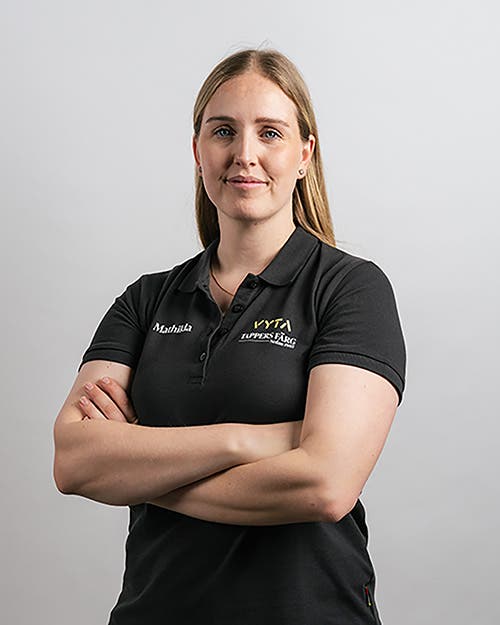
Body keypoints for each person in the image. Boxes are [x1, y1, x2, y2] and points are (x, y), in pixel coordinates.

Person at [53, 47, 406, 625]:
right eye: (223, 131)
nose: (245, 154)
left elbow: (326, 485)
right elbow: (74, 462)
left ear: (304, 155)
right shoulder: (146, 300)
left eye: (270, 132)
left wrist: (139, 471)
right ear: (198, 151)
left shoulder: (349, 289)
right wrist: (245, 441)